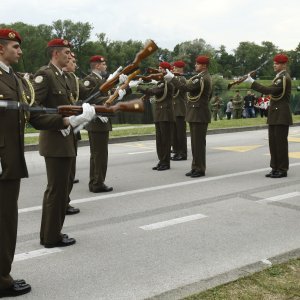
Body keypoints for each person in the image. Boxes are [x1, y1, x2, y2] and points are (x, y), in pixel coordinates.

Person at [0, 29, 91, 297]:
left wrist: (68, 120)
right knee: (4, 220)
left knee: (6, 220)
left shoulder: (12, 78)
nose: (20, 51)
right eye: (15, 46)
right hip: (2, 158)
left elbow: (32, 115)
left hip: (10, 159)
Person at [32, 38, 96, 248]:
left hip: (66, 139)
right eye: (66, 52)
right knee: (56, 191)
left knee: (62, 191)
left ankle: (54, 232)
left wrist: (80, 115)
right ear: (55, 53)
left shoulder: (62, 76)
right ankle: (51, 237)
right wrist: (65, 121)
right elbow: (36, 112)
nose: (70, 56)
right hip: (55, 142)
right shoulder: (46, 75)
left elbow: (69, 105)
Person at [245, 53, 292, 178]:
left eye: (277, 63)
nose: (274, 65)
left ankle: (282, 169)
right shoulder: (279, 77)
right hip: (275, 113)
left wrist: (252, 82)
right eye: (274, 63)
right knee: (273, 143)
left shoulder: (283, 78)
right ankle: (275, 167)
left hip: (281, 114)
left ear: (284, 65)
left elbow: (268, 91)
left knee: (280, 143)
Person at [83, 55, 125, 193]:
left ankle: (96, 181)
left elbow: (106, 97)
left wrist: (120, 90)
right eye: (104, 64)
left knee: (98, 154)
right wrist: (111, 98)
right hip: (96, 121)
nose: (105, 66)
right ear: (97, 66)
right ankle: (97, 183)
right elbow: (88, 99)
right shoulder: (90, 80)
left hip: (101, 120)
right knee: (99, 154)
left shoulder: (101, 80)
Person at [165, 55, 212, 178]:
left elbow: (185, 88)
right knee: (195, 144)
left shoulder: (202, 78)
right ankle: (195, 167)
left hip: (199, 114)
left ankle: (200, 169)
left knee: (199, 144)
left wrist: (172, 78)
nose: (195, 65)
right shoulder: (200, 77)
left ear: (204, 66)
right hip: (195, 113)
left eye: (197, 64)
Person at [137, 61, 175, 171]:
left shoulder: (167, 83)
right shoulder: (160, 82)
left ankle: (165, 162)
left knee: (165, 140)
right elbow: (152, 91)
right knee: (159, 140)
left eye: (161, 68)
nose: (158, 70)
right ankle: (161, 160)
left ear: (166, 70)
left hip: (166, 115)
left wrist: (139, 86)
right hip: (159, 114)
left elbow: (153, 91)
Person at [171, 60, 187, 161]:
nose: (174, 69)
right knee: (174, 134)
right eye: (174, 68)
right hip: (174, 109)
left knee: (181, 134)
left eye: (176, 68)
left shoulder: (182, 79)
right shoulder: (175, 79)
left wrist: (171, 79)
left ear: (180, 69)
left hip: (180, 109)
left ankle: (183, 153)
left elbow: (178, 89)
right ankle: (176, 152)